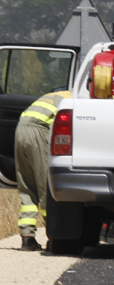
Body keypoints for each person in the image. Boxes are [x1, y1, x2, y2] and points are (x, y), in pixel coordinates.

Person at [14, 91, 71, 250]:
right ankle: (53, 236)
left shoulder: (58, 94)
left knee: (27, 186)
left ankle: (27, 237)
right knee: (46, 186)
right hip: (39, 129)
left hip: (21, 128)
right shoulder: (76, 98)